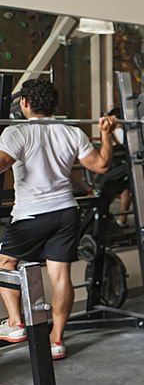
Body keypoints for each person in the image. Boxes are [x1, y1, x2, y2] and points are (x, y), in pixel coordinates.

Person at [0, 79, 117, 359]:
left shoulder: (16, 133)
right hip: (66, 212)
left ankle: (16, 323)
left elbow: (1, 164)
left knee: (5, 263)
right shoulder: (71, 132)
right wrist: (106, 134)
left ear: (25, 103)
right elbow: (101, 165)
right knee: (60, 275)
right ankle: (56, 340)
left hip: (31, 214)